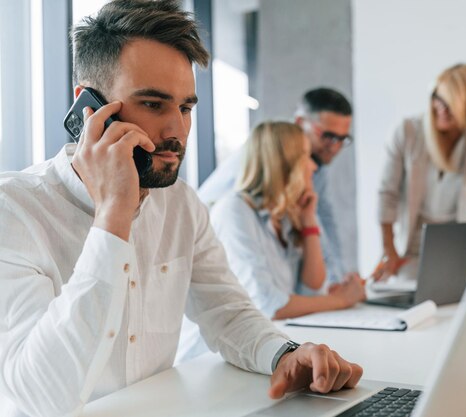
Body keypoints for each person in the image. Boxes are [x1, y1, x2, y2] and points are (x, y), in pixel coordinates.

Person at [0, 2, 362, 416]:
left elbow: (227, 313)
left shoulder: (182, 206)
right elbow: (40, 396)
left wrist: (284, 354)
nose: (177, 131)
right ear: (88, 106)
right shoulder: (13, 210)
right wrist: (113, 216)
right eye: (153, 104)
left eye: (185, 108)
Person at [212, 121, 365, 319]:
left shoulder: (284, 215)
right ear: (283, 164)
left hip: (272, 335)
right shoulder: (234, 211)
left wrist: (309, 223)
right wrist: (342, 300)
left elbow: (310, 291)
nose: (312, 167)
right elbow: (267, 305)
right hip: (217, 348)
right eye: (306, 157)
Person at [197, 87, 353, 280]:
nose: (334, 147)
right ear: (300, 123)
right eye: (328, 136)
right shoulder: (259, 163)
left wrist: (339, 276)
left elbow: (324, 220)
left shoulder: (317, 163)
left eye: (342, 139)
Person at [376, 63, 466, 281]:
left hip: (458, 253)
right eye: (437, 98)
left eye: (450, 103)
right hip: (410, 252)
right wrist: (390, 252)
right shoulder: (408, 132)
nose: (440, 108)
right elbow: (387, 194)